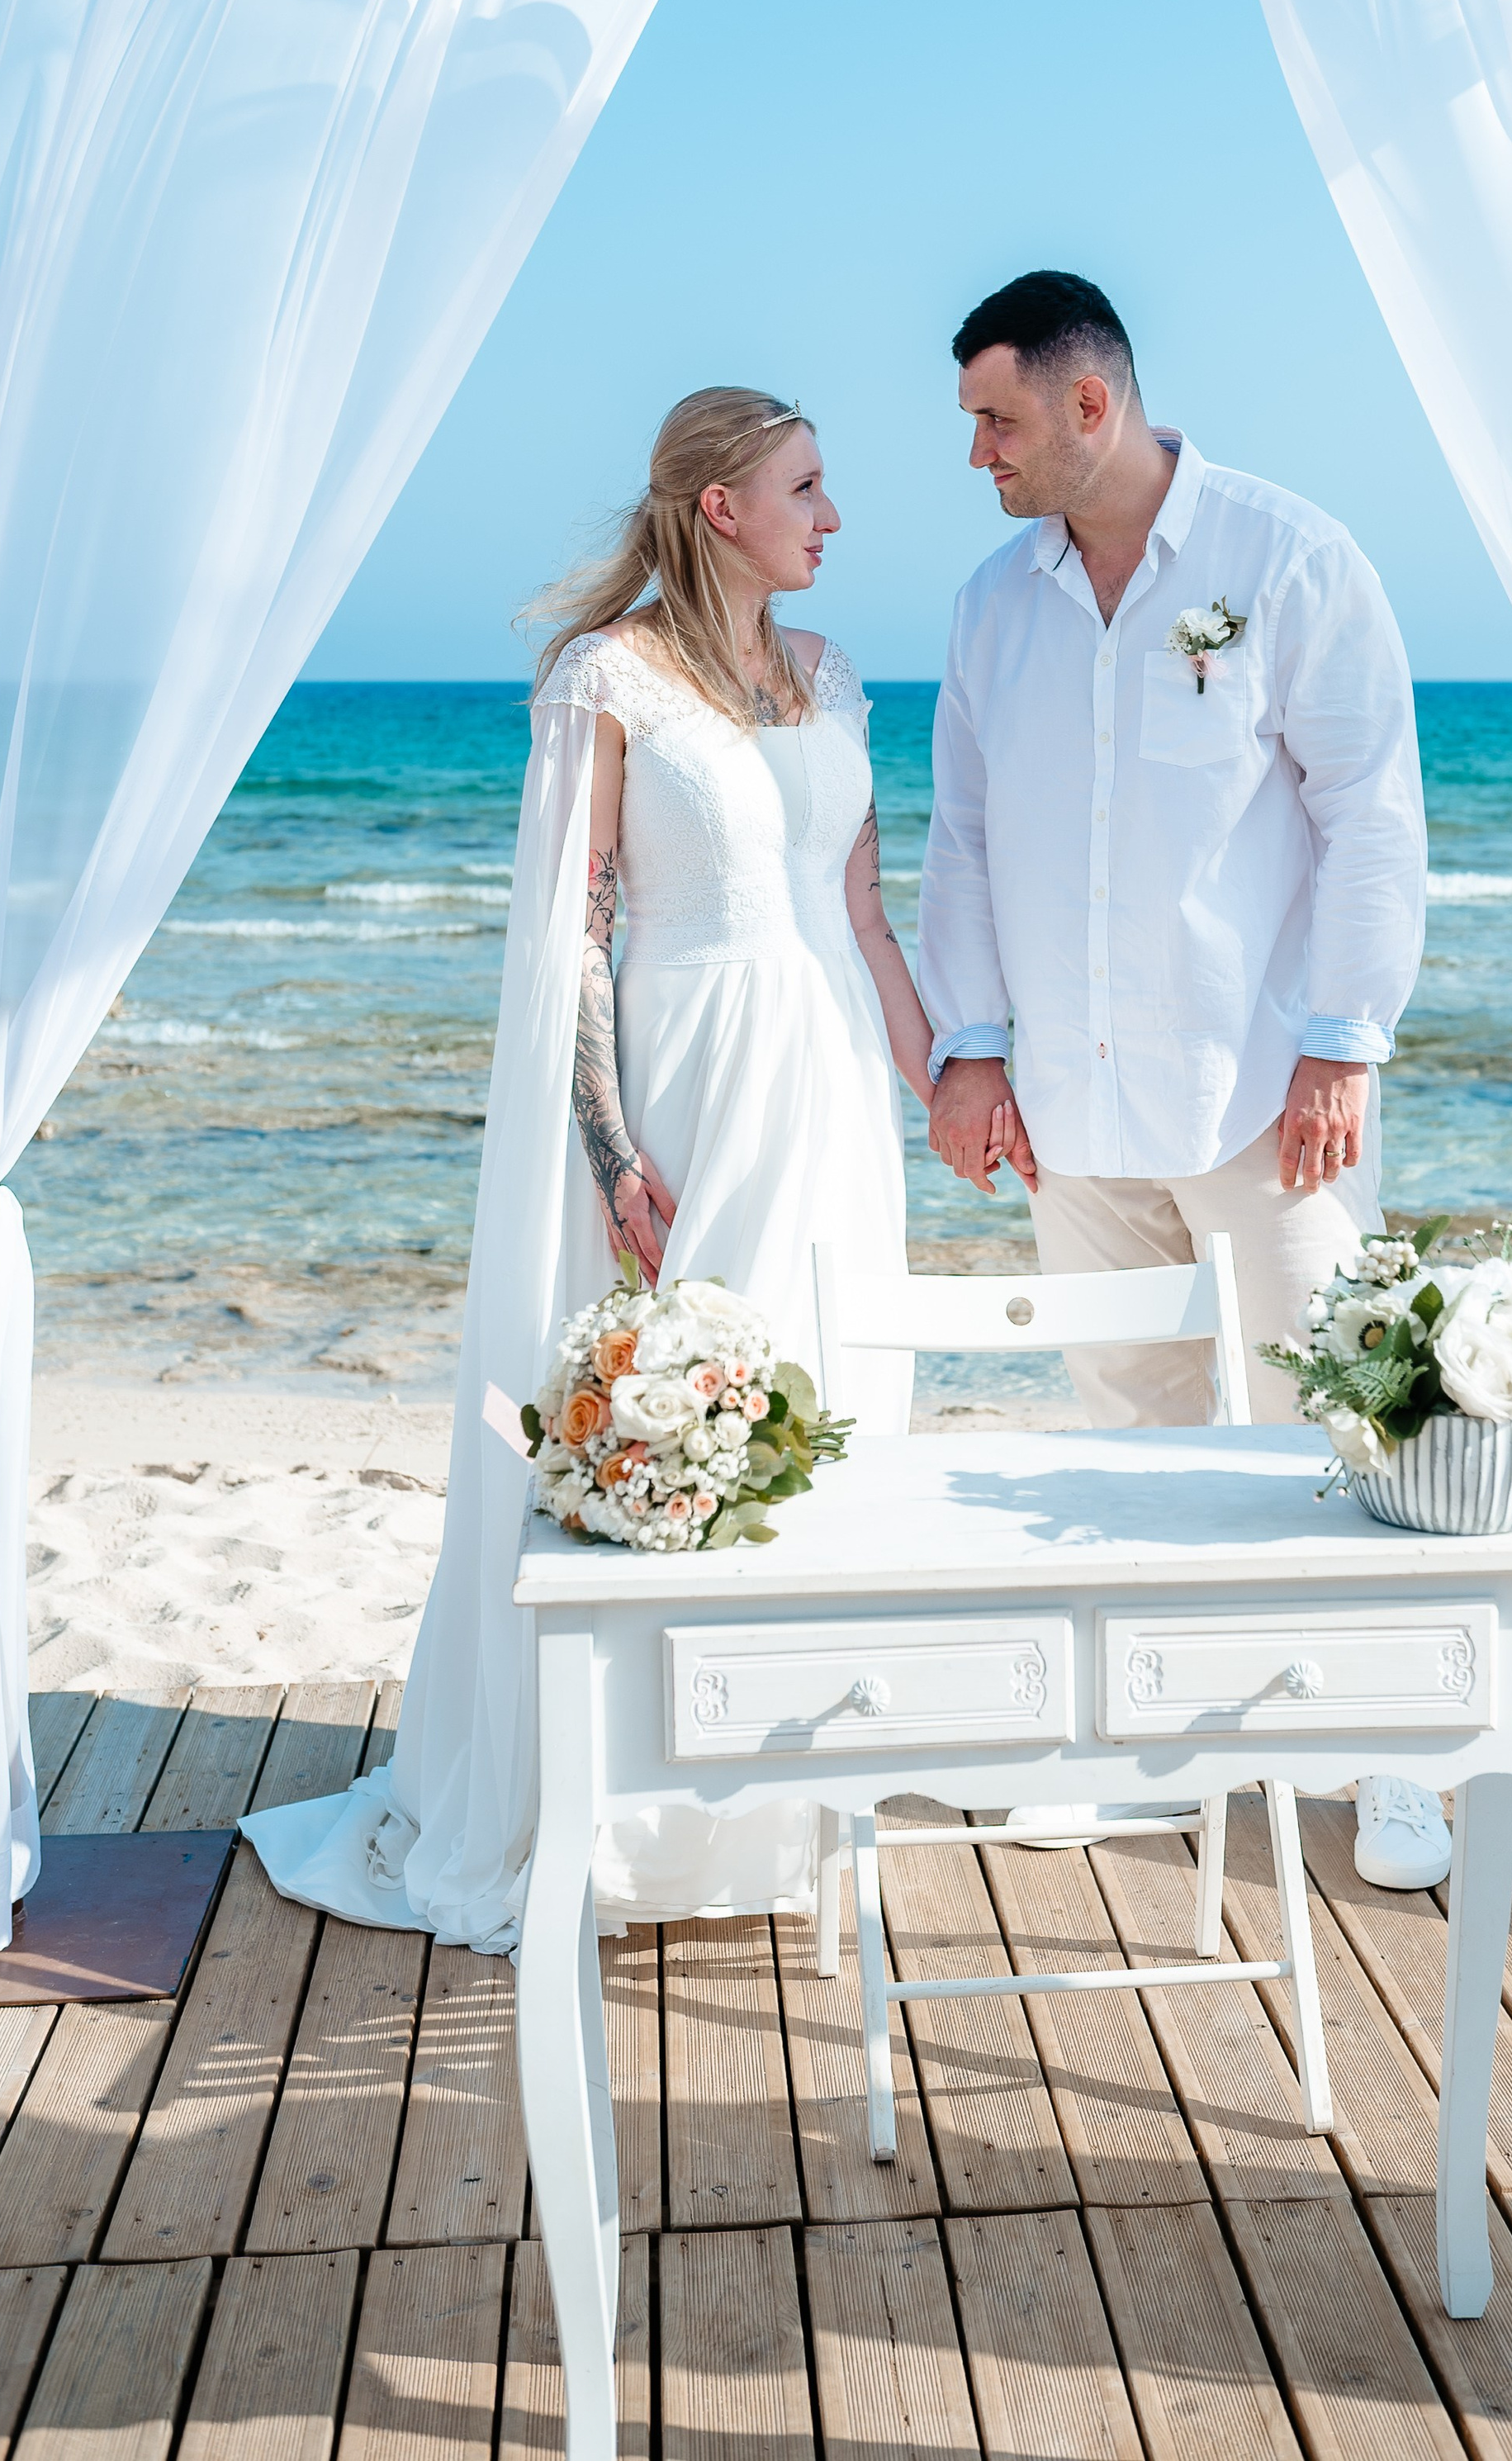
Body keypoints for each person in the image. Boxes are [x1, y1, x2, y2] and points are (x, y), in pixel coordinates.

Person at [244, 388, 993, 1945]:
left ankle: (783, 1793)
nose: (834, 515)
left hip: (838, 1076)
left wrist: (946, 1081)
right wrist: (608, 1149)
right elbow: (579, 929)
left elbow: (864, 913)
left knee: (828, 1392)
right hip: (695, 1068)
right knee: (689, 1388)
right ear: (723, 505)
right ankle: (645, 1805)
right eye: (809, 485)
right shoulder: (609, 678)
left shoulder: (833, 675)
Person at [916, 270, 1448, 1892]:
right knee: (1124, 1438)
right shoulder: (992, 605)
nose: (976, 456)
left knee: (1342, 1424)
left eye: (994, 420)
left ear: (1090, 405)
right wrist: (968, 1044)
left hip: (1263, 1098)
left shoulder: (1286, 559)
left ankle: (1392, 1746)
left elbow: (1368, 804)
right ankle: (1149, 1735)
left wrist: (1345, 1035)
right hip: (1071, 1111)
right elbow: (965, 833)